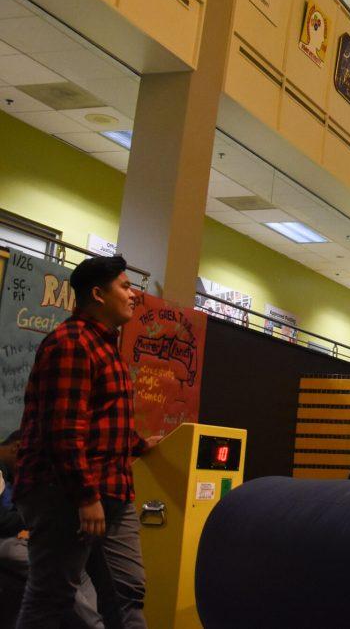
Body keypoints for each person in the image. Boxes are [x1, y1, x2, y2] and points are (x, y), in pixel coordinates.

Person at [12, 255, 160, 629]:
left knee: (127, 592)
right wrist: (85, 497)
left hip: (111, 492)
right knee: (52, 596)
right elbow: (64, 428)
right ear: (97, 294)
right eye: (125, 287)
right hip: (64, 493)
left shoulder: (106, 347)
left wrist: (142, 445)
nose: (133, 295)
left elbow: (102, 420)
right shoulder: (72, 343)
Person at [1, 431, 103, 629]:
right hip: (7, 541)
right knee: (47, 563)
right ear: (17, 448)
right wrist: (35, 524)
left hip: (19, 536)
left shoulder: (11, 474)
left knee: (78, 564)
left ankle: (94, 622)